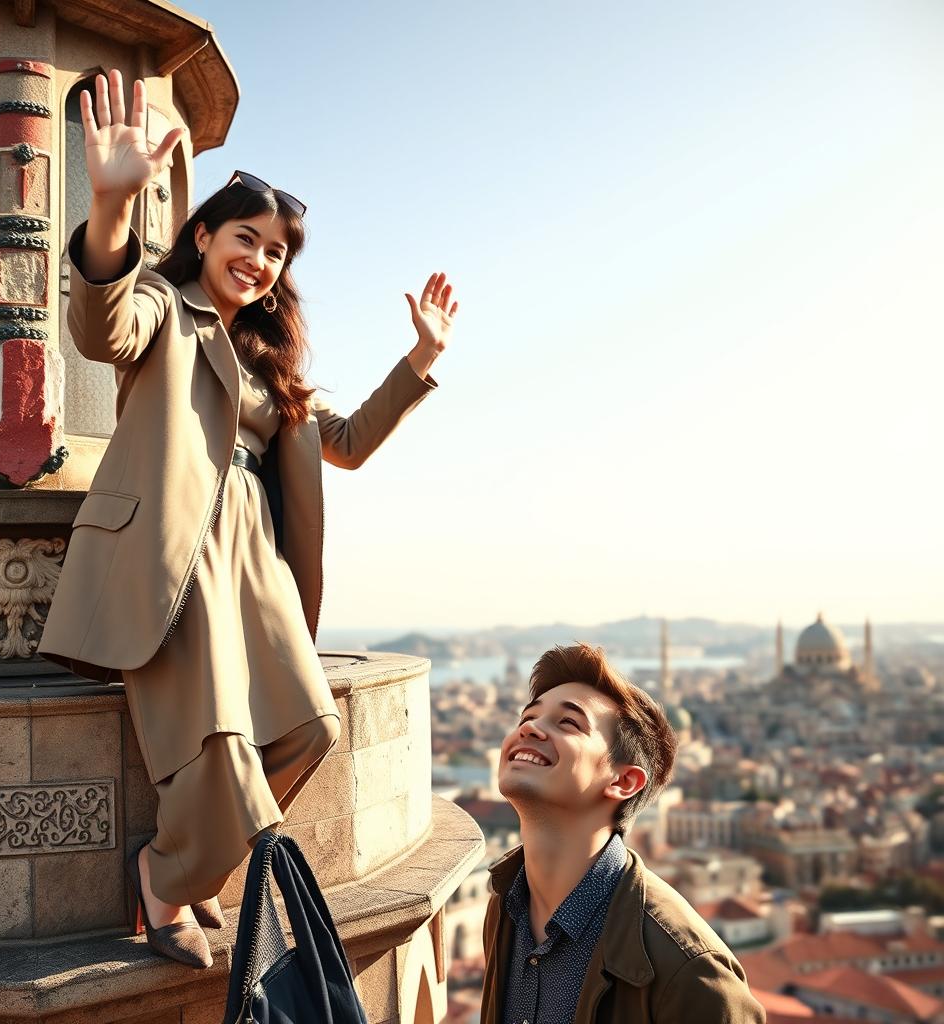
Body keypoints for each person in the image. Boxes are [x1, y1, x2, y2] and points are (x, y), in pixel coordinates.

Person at [39, 69, 459, 969]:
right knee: (222, 742)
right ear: (202, 236)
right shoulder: (167, 308)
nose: (261, 260)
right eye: (246, 238)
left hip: (255, 560)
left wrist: (419, 361)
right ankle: (165, 878)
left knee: (310, 728)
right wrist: (110, 211)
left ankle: (186, 868)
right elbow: (102, 325)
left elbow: (340, 443)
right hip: (173, 547)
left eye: (277, 252)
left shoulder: (271, 360)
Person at [481, 643, 765, 1023]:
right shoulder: (505, 911)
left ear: (624, 781)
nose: (529, 727)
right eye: (526, 718)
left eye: (568, 722)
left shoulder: (689, 970)